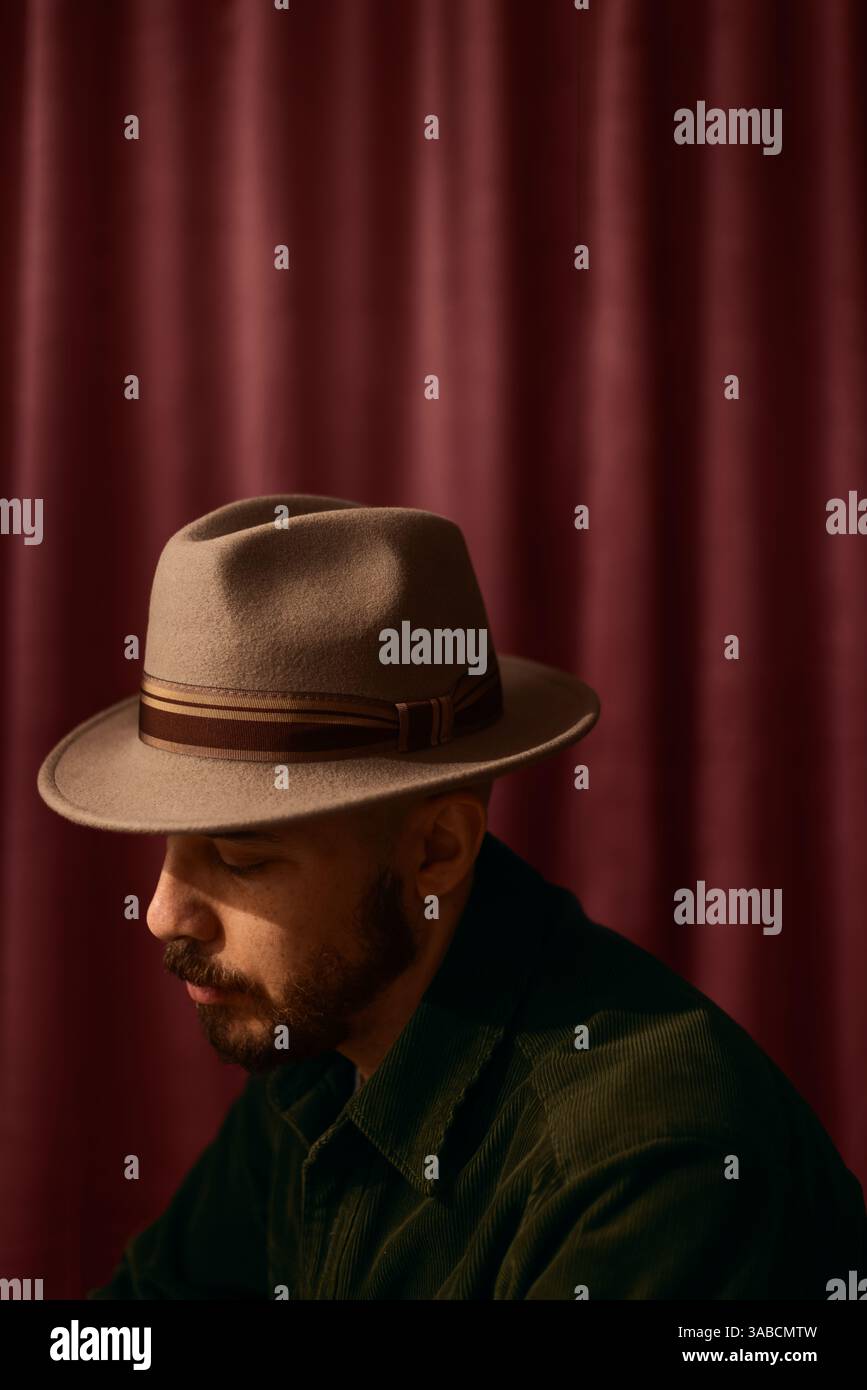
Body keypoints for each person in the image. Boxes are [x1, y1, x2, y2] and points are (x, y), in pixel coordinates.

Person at [38, 494, 867, 1299]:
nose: (162, 914)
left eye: (241, 860)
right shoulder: (323, 1036)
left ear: (435, 851)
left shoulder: (650, 1168)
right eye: (168, 844)